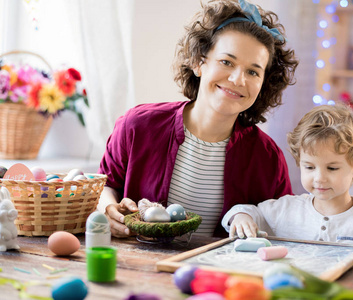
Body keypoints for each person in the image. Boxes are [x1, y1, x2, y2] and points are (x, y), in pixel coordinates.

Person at [97, 0, 299, 238]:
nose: (237, 79)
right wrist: (108, 208)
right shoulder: (137, 126)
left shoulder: (268, 158)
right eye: (227, 62)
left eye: (253, 71)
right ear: (198, 62)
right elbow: (104, 185)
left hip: (221, 274)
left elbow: (283, 225)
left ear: (264, 83)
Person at [222, 103, 353, 244]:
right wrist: (241, 217)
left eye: (332, 168)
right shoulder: (286, 209)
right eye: (309, 167)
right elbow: (246, 211)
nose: (319, 178)